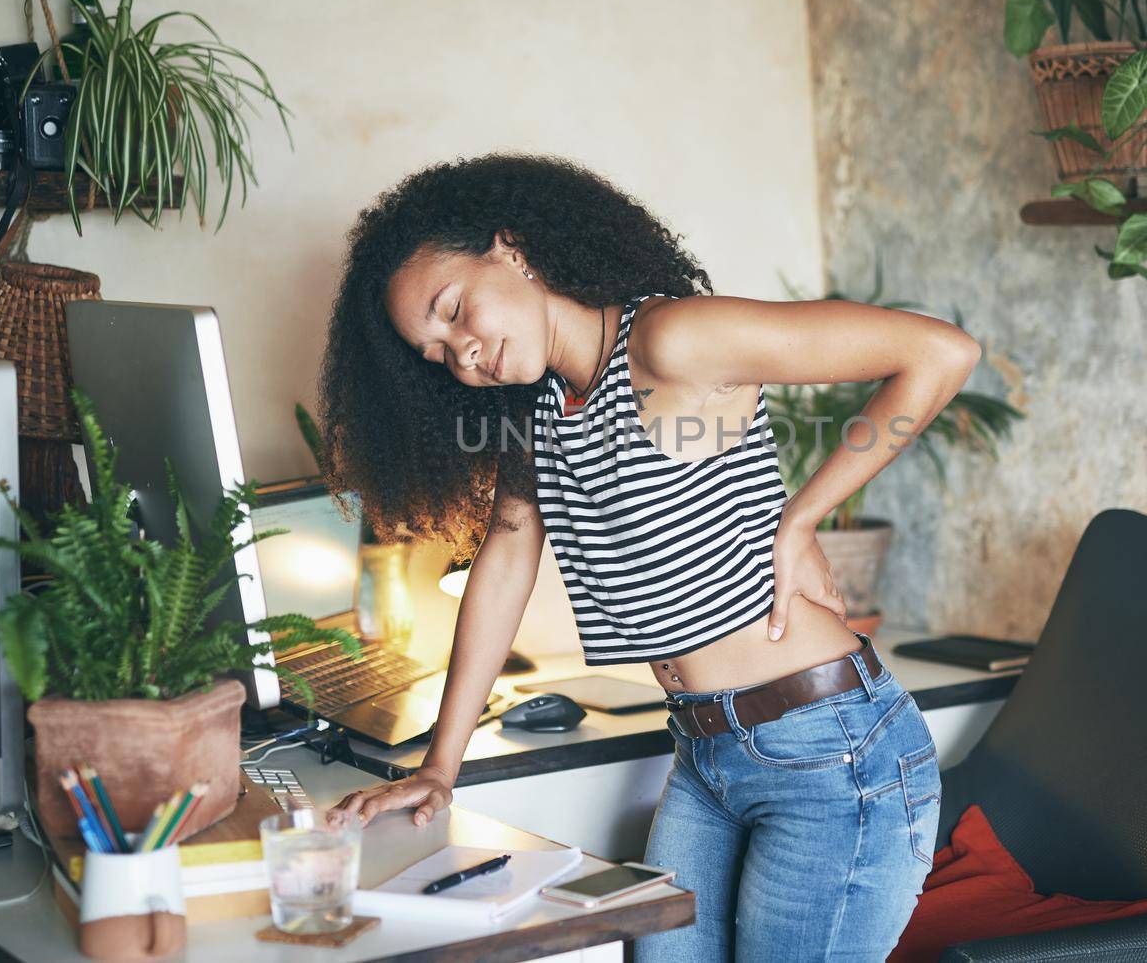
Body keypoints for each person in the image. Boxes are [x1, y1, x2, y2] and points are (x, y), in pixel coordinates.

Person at [316, 152, 981, 961]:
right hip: (706, 754)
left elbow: (941, 354)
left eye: (454, 310)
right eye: (437, 352)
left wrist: (801, 517)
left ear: (512, 252)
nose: (462, 353)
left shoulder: (670, 339)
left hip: (829, 753)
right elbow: (511, 546)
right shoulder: (539, 409)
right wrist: (440, 766)